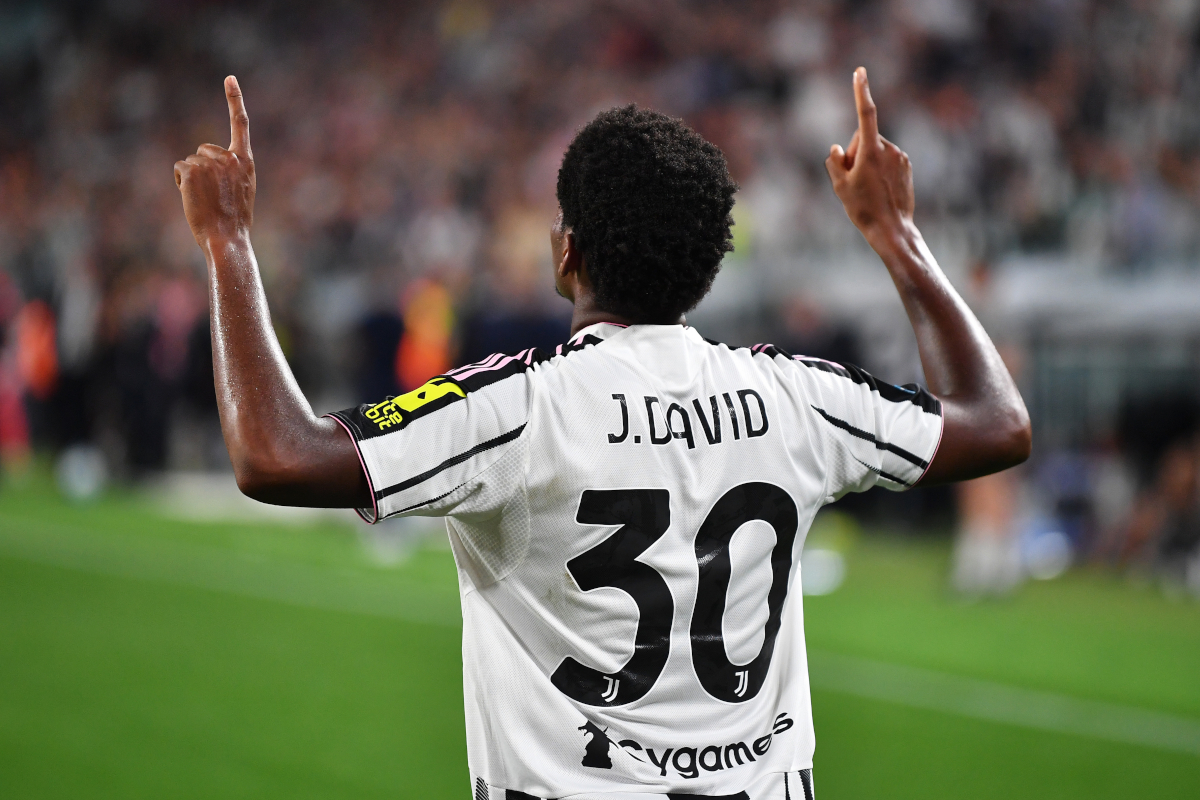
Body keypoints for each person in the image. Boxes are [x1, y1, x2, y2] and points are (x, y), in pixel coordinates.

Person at [174, 69, 1030, 800]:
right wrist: (897, 236)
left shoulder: (517, 408)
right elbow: (995, 425)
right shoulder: (798, 396)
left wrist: (228, 243)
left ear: (565, 253)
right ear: (710, 260)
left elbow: (275, 455)